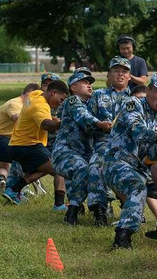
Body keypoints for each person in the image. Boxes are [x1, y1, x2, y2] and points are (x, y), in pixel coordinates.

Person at [103, 73, 157, 249]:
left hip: (141, 169)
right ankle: (122, 237)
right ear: (149, 90)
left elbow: (153, 155)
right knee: (137, 187)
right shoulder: (133, 104)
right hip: (116, 162)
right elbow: (136, 129)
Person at [52, 70, 112, 225]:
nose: (89, 86)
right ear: (73, 87)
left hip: (83, 155)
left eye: (90, 83)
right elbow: (83, 118)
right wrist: (101, 124)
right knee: (85, 170)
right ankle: (73, 210)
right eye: (85, 82)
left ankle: (81, 209)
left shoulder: (92, 106)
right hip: (65, 152)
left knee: (93, 169)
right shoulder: (72, 102)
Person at [2, 80, 69, 206]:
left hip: (16, 145)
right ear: (53, 93)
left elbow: (35, 116)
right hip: (28, 145)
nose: (60, 104)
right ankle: (59, 205)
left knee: (44, 168)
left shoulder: (36, 94)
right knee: (60, 169)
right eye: (61, 100)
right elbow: (45, 125)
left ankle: (14, 190)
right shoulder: (41, 105)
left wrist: (53, 118)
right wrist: (63, 122)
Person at [87, 57, 132, 226]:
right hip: (104, 143)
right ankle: (99, 209)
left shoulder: (136, 98)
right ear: (109, 74)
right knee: (96, 166)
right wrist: (99, 126)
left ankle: (130, 208)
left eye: (125, 71)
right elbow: (88, 122)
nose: (120, 74)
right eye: (116, 70)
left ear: (129, 76)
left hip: (128, 146)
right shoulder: (98, 95)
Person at [0, 83, 40, 191]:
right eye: (37, 97)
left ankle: (2, 179)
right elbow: (16, 117)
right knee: (23, 155)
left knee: (3, 167)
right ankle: (21, 188)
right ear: (30, 94)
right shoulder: (15, 103)